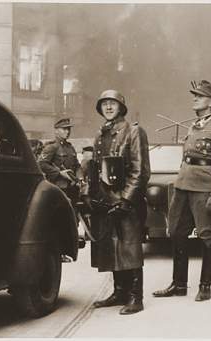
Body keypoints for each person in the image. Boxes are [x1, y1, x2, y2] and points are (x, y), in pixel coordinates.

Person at [152, 80, 211, 302]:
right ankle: (178, 284)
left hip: (204, 189)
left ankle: (205, 285)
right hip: (183, 187)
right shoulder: (194, 127)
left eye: (199, 96)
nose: (194, 98)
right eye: (194, 95)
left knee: (208, 236)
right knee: (177, 233)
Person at [80, 89, 150, 315]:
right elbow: (94, 167)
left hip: (126, 202)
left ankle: (135, 297)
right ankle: (120, 291)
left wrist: (126, 200)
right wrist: (88, 194)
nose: (108, 107)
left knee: (130, 248)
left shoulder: (134, 132)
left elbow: (141, 172)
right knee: (111, 247)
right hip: (104, 200)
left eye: (113, 103)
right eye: (104, 104)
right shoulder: (100, 134)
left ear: (121, 107)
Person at [38, 118, 83, 262]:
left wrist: (80, 178)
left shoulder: (70, 148)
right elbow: (41, 164)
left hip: (72, 189)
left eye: (68, 129)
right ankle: (58, 252)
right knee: (58, 221)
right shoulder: (52, 147)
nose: (67, 131)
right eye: (64, 129)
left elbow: (77, 166)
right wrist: (58, 173)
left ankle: (66, 249)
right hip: (59, 190)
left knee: (72, 221)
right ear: (56, 130)